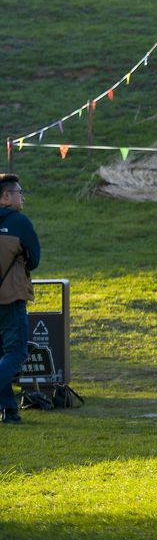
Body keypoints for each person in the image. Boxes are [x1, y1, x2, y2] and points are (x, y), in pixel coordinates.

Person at [0, 174, 41, 425]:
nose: (22, 196)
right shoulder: (19, 223)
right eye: (19, 192)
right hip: (11, 298)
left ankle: (8, 410)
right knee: (16, 351)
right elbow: (34, 260)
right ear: (5, 196)